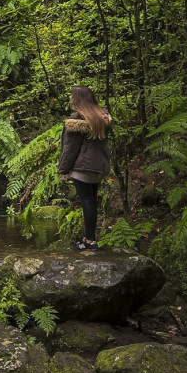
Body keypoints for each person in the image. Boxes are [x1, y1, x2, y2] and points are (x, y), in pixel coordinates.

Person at [58, 85, 112, 250]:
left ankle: (90, 241)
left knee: (87, 202)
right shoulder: (102, 116)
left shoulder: (77, 119)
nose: (70, 99)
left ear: (77, 99)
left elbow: (70, 149)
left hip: (82, 168)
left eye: (71, 96)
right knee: (91, 201)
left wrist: (63, 170)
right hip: (99, 167)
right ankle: (89, 239)